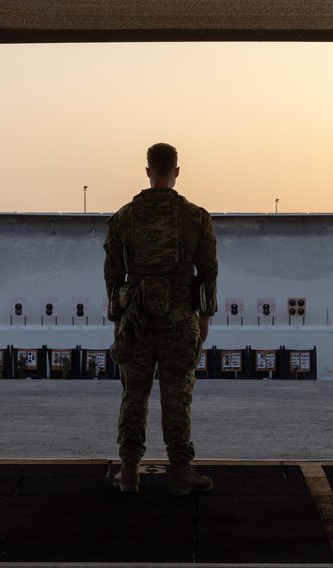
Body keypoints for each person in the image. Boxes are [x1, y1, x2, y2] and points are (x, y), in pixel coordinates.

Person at [104, 143, 218, 495]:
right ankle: (181, 473)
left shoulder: (124, 216)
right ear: (177, 171)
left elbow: (113, 274)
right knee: (176, 395)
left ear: (148, 170)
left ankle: (129, 472)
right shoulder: (195, 216)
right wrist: (205, 316)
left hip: (136, 319)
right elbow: (208, 271)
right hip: (180, 315)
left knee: (133, 395)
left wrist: (117, 318)